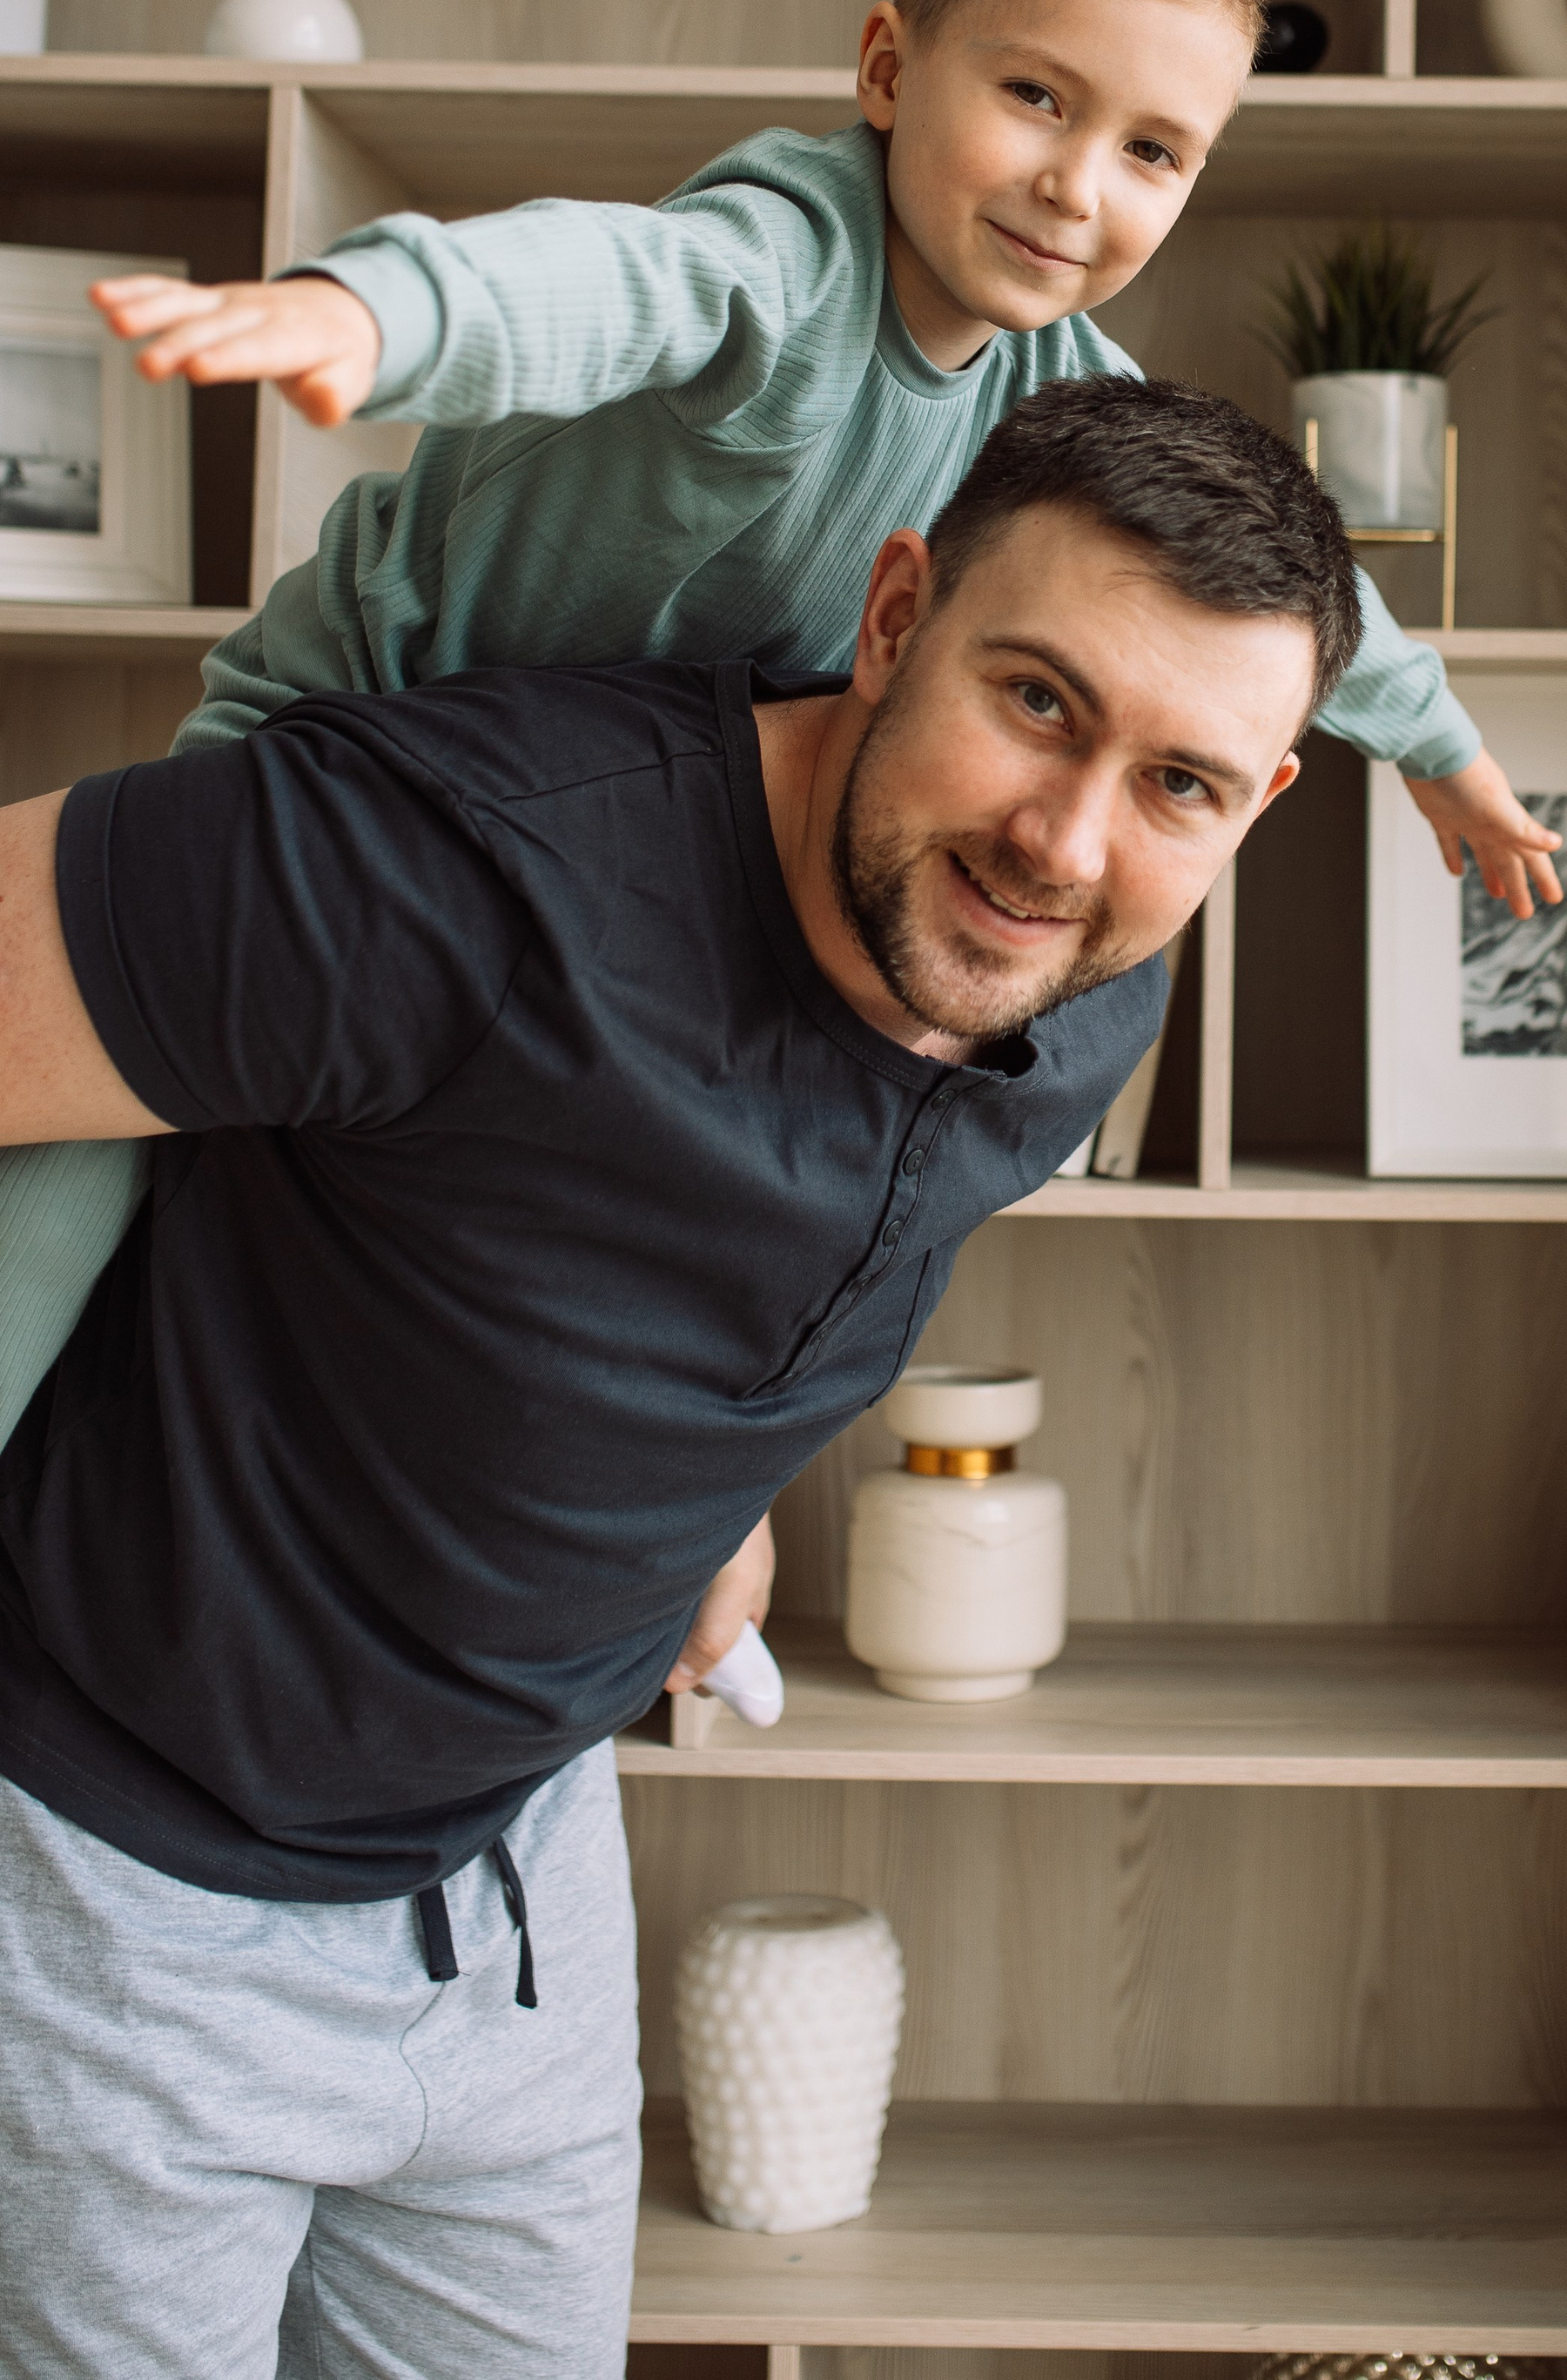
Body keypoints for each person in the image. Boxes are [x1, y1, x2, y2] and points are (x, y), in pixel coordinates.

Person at [0, 374, 1355, 2380]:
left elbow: (781, 1226)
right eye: (1038, 698)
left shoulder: (1078, 969)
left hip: (520, 1893)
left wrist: (706, 1501)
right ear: (893, 613)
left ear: (1257, 802)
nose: (1062, 836)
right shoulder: (447, 868)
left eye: (1181, 779)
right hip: (118, 1902)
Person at [0, 0, 1557, 1451]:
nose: (1076, 186)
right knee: (62, 1203)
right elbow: (596, 280)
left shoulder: (1065, 397)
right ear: (889, 66)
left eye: (1155, 151)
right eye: (1037, 96)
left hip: (588, 872)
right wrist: (375, 312)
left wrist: (1442, 751)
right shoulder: (783, 262)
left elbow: (1291, 600)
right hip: (355, 749)